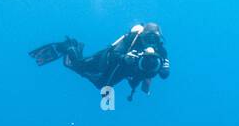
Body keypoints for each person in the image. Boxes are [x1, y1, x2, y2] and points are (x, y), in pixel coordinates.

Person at [29, 22, 170, 100]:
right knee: (79, 65)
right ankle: (69, 47)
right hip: (107, 60)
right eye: (147, 38)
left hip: (124, 72)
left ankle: (73, 48)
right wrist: (125, 57)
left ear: (159, 39)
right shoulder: (131, 40)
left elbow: (163, 74)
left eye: (155, 39)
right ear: (142, 36)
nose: (151, 42)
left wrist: (162, 67)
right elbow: (115, 53)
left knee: (101, 85)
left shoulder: (161, 51)